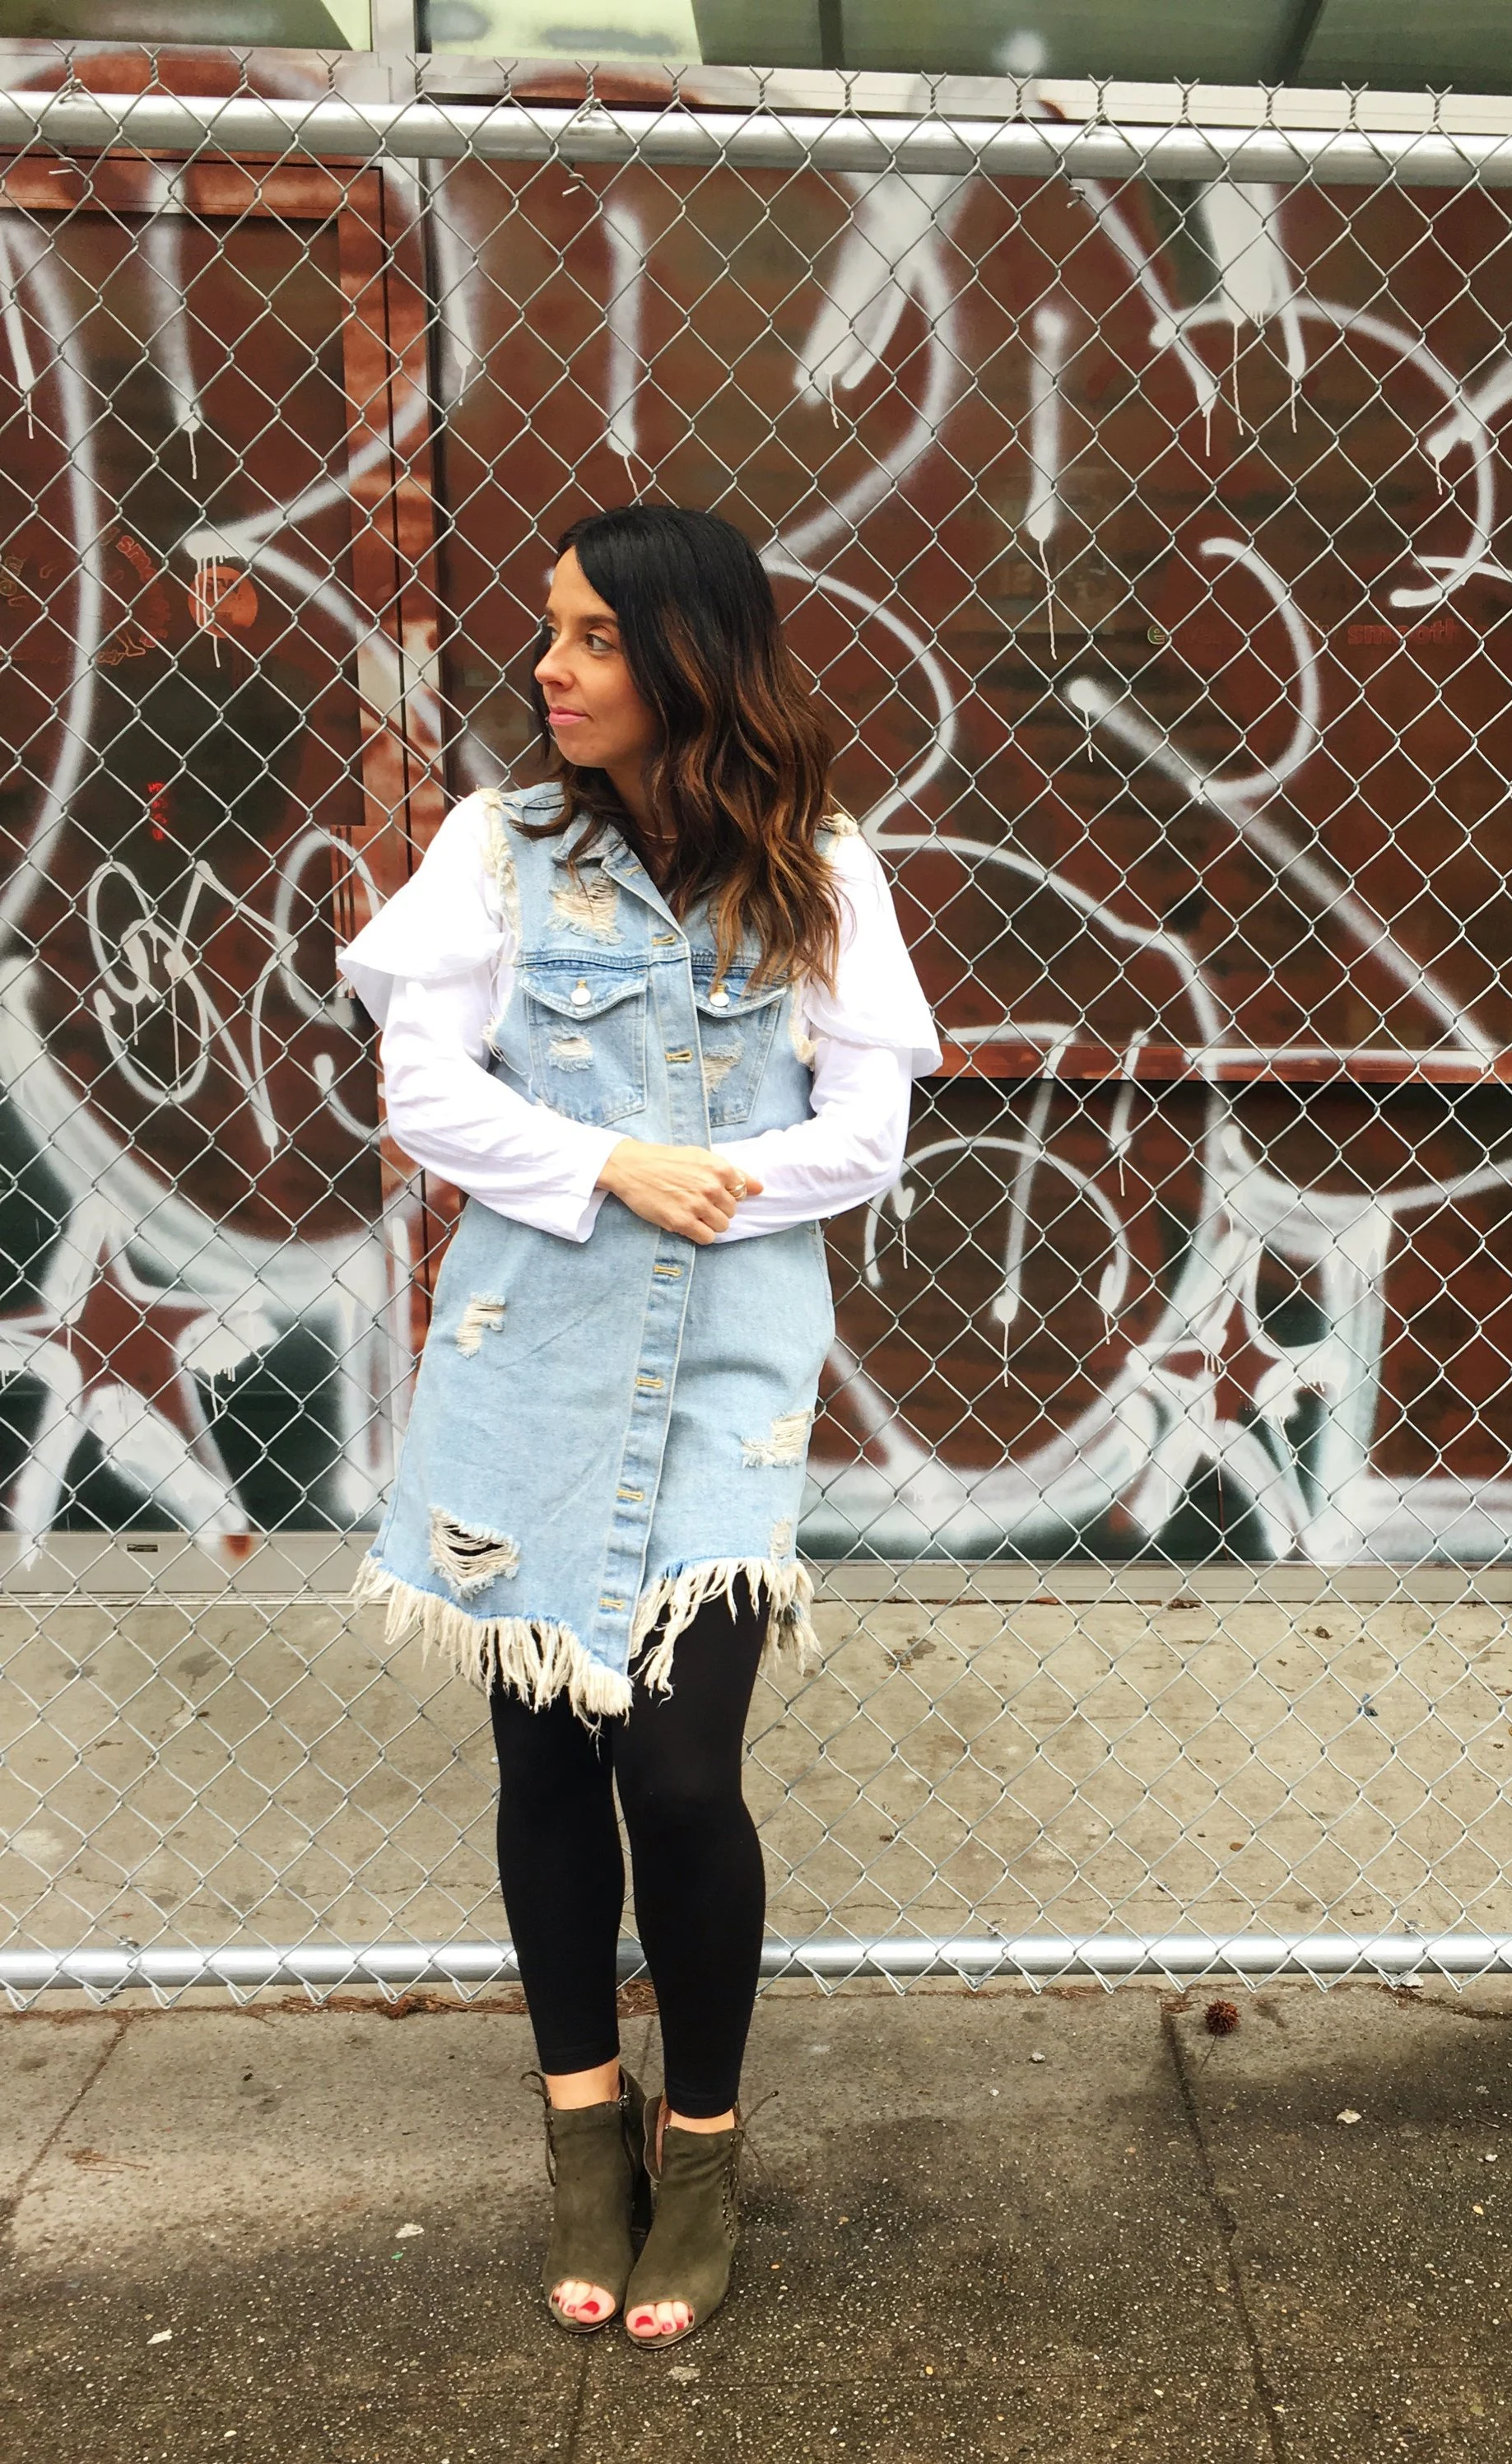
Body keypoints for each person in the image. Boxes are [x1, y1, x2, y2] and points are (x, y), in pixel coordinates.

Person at [338, 505, 938, 2345]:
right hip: (532, 1361)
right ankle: (581, 2137)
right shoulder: (495, 851)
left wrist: (707, 1186)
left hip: (729, 1377)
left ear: (689, 654)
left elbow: (864, 1135)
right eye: (553, 632)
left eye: (593, 636)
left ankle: (708, 2140)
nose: (552, 667)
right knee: (544, 1764)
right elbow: (418, 1082)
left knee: (679, 1772)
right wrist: (609, 1159)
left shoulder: (818, 865)